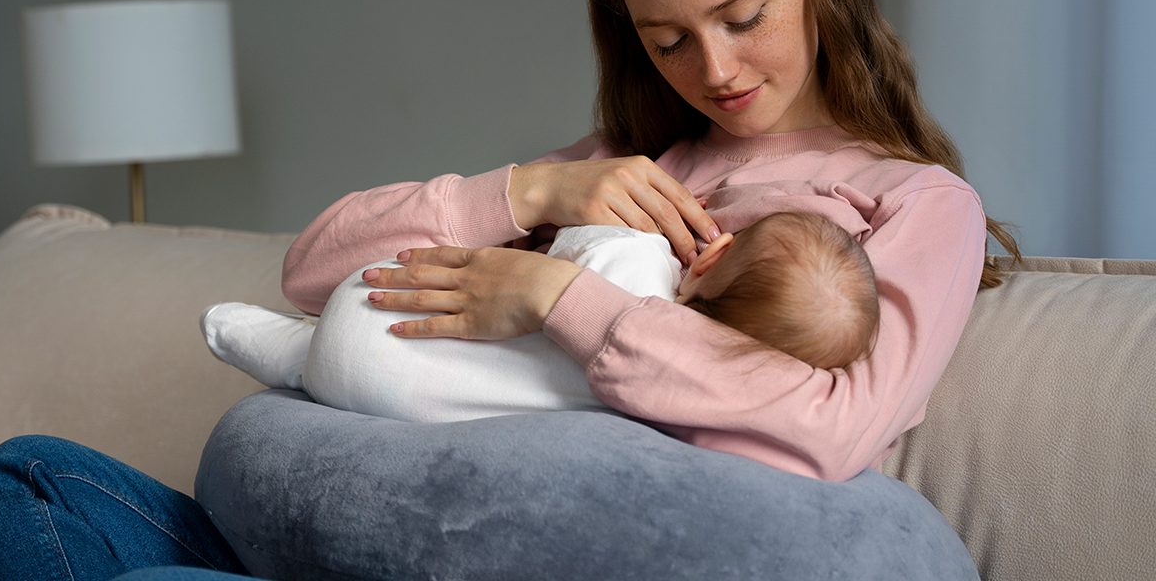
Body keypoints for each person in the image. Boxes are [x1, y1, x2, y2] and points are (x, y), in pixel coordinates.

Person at [0, 0, 1019, 578]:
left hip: (556, 549)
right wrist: (534, 190)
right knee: (26, 484)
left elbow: (836, 424)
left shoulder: (916, 203)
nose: (716, 70)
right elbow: (310, 271)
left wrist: (557, 297)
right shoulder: (632, 162)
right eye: (668, 42)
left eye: (743, 17)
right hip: (389, 512)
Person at [201, 212, 880, 422]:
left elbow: (565, 247)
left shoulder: (637, 252)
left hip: (376, 305)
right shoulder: (669, 401)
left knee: (318, 344)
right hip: (394, 404)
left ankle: (294, 351)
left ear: (715, 253)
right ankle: (303, 360)